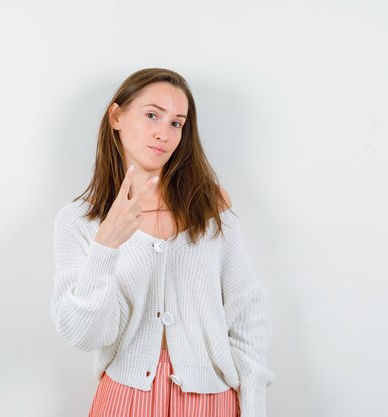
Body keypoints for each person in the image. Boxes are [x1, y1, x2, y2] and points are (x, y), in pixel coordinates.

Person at [50, 68, 275, 417]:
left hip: (210, 400)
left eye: (176, 123)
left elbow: (246, 311)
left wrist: (253, 405)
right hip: (125, 400)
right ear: (117, 116)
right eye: (152, 114)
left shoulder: (212, 207)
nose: (164, 133)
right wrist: (105, 246)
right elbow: (84, 334)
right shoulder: (80, 222)